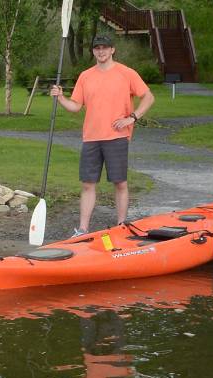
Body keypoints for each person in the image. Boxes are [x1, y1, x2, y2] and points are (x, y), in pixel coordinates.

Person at [51, 34, 155, 236]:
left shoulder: (126, 73)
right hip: (91, 137)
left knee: (120, 182)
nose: (101, 51)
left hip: (117, 136)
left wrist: (133, 117)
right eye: (97, 48)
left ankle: (121, 225)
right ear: (93, 51)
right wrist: (61, 97)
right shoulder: (85, 76)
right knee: (88, 184)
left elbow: (149, 97)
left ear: (112, 50)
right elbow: (75, 107)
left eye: (104, 48)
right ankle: (82, 229)